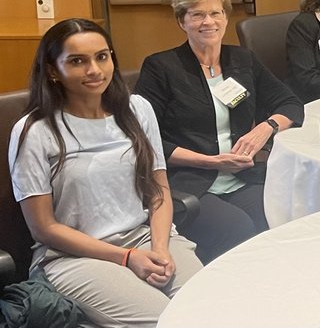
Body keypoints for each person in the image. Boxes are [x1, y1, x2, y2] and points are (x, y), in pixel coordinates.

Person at [8, 19, 203, 327]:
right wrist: (125, 258)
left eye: (102, 56)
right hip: (74, 258)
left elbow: (158, 190)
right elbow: (43, 228)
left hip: (147, 237)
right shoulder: (35, 131)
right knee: (167, 322)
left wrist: (161, 248)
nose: (95, 70)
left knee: (211, 307)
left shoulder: (137, 109)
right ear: (52, 70)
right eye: (77, 61)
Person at [135, 0, 304, 263]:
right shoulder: (161, 68)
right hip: (189, 182)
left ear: (225, 17)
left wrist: (266, 127)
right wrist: (211, 161)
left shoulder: (242, 60)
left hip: (241, 176)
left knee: (287, 215)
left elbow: (290, 103)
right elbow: (143, 140)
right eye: (197, 14)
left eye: (215, 12)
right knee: (239, 229)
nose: (208, 22)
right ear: (182, 21)